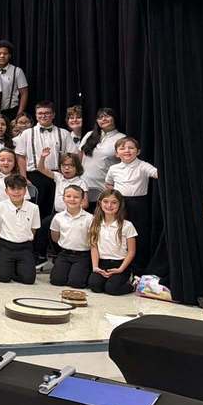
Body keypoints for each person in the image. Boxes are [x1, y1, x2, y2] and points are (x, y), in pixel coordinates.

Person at [15, 101, 76, 218]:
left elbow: (72, 156)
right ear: (36, 115)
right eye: (40, 113)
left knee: (56, 209)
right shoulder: (27, 133)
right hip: (34, 175)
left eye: (47, 113)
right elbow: (21, 157)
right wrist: (23, 177)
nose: (43, 116)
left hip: (57, 176)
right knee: (36, 210)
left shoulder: (64, 133)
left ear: (53, 115)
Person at [105, 137, 158, 271]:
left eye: (131, 148)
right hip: (119, 204)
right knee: (118, 233)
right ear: (117, 153)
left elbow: (157, 174)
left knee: (139, 235)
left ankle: (138, 268)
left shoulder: (143, 165)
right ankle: (119, 265)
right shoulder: (113, 168)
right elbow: (108, 184)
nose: (127, 151)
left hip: (139, 205)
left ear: (138, 151)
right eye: (122, 148)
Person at [0, 174, 40, 285]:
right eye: (12, 189)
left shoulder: (34, 208)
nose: (16, 192)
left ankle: (18, 267)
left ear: (25, 190)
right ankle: (11, 267)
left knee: (29, 280)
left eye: (20, 189)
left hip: (25, 247)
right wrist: (1, 244)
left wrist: (25, 239)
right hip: (5, 246)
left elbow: (34, 229)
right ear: (6, 191)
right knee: (3, 278)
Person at [88, 189, 138, 295]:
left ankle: (132, 284)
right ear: (100, 203)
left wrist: (120, 269)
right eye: (105, 201)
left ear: (120, 205)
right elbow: (94, 247)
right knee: (94, 285)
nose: (109, 205)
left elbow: (131, 252)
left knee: (112, 289)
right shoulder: (95, 223)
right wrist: (95, 267)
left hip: (120, 264)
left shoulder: (127, 225)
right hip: (102, 263)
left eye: (114, 202)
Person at [49, 185, 95, 289]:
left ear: (82, 199)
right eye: (68, 196)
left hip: (82, 255)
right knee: (57, 281)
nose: (72, 199)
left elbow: (93, 240)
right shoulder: (58, 217)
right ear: (63, 198)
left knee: (76, 283)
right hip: (65, 254)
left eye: (76, 197)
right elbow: (55, 237)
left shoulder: (89, 218)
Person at [78, 108, 125, 203]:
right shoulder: (89, 135)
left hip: (104, 190)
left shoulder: (122, 138)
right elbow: (79, 158)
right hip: (83, 187)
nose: (103, 119)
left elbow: (125, 166)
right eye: (100, 117)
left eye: (107, 116)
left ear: (114, 118)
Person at [0, 40, 28, 120]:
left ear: (9, 55)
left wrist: (19, 113)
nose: (2, 56)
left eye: (5, 53)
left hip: (11, 112)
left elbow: (24, 93)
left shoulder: (17, 71)